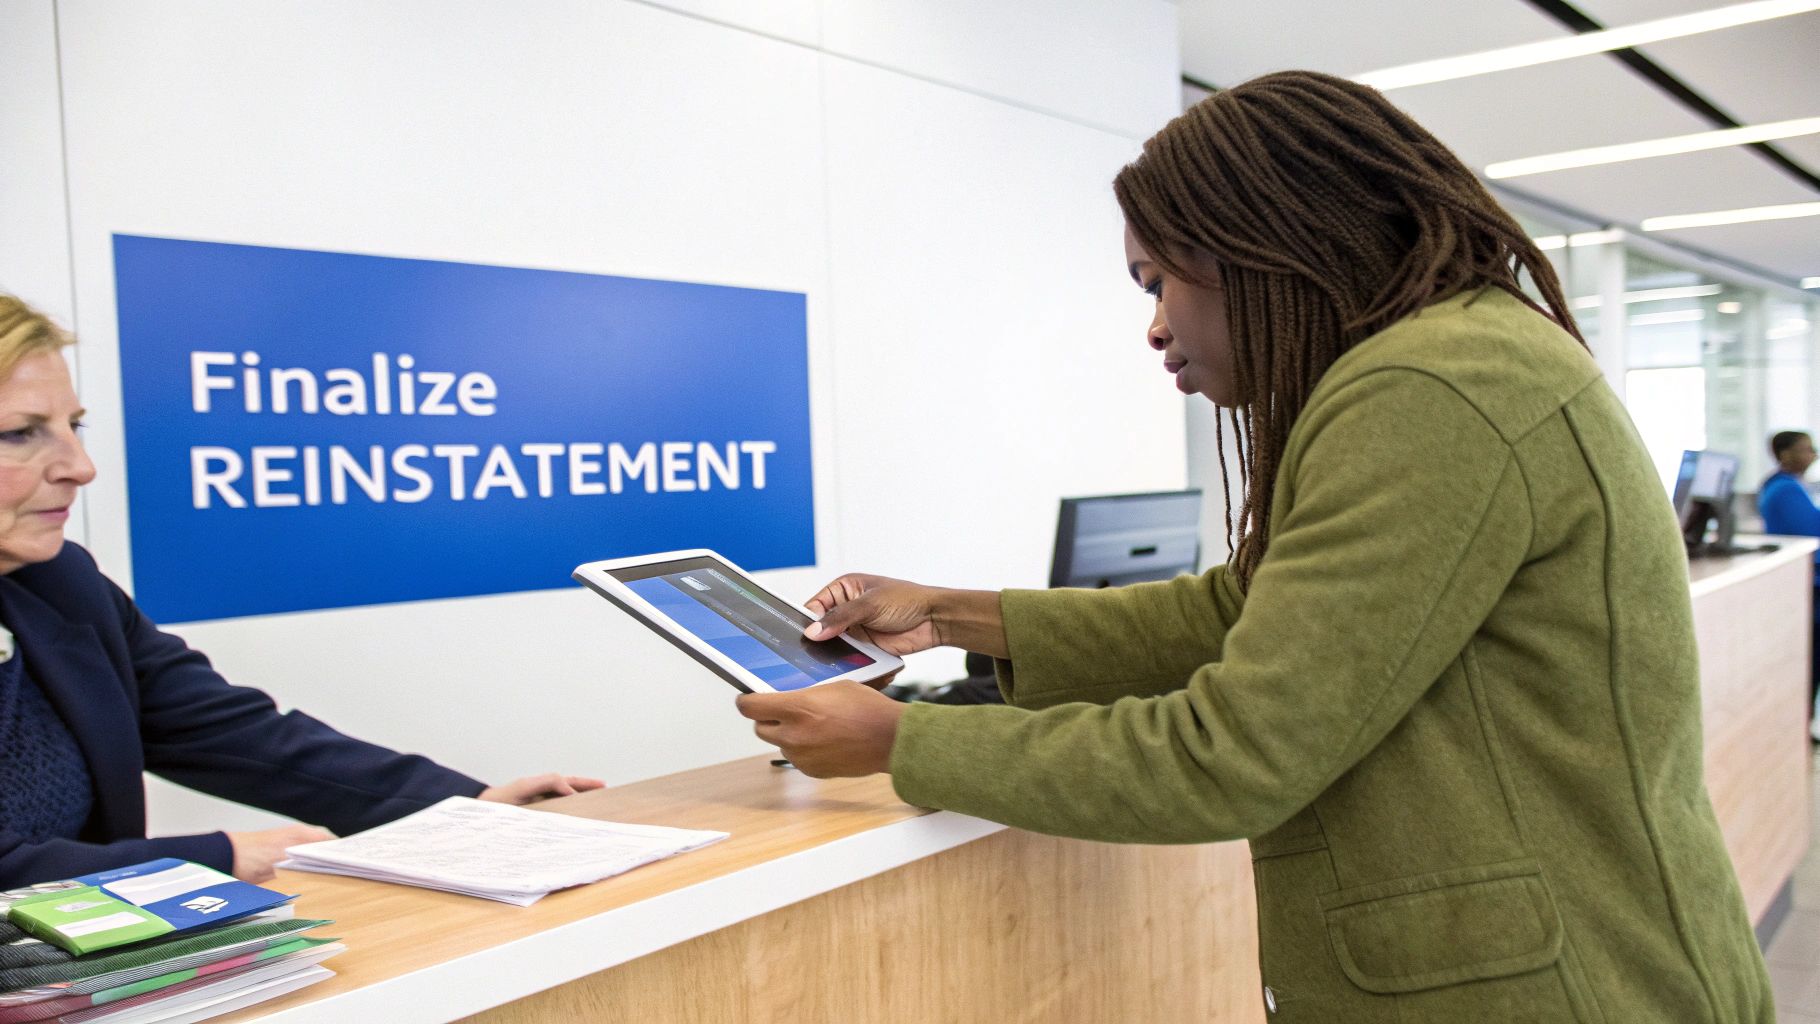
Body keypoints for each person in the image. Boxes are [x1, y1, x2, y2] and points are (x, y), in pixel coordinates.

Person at [736, 72, 1772, 1022]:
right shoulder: (1453, 357)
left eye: (1156, 280)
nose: (1151, 326)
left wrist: (902, 741)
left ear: (1257, 242)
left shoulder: (1426, 389)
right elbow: (1241, 612)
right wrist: (947, 613)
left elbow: (1235, 753)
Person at [0, 295, 603, 888]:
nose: (80, 466)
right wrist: (215, 857)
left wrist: (461, 806)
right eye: (22, 433)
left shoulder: (60, 585)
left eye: (74, 426)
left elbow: (238, 737)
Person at [1758, 429, 1820, 736]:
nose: (1813, 455)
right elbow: (1812, 531)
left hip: (1807, 583)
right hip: (1809, 585)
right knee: (1811, 660)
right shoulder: (1785, 490)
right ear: (1784, 455)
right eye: (1806, 449)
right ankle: (1800, 728)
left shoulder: (1788, 486)